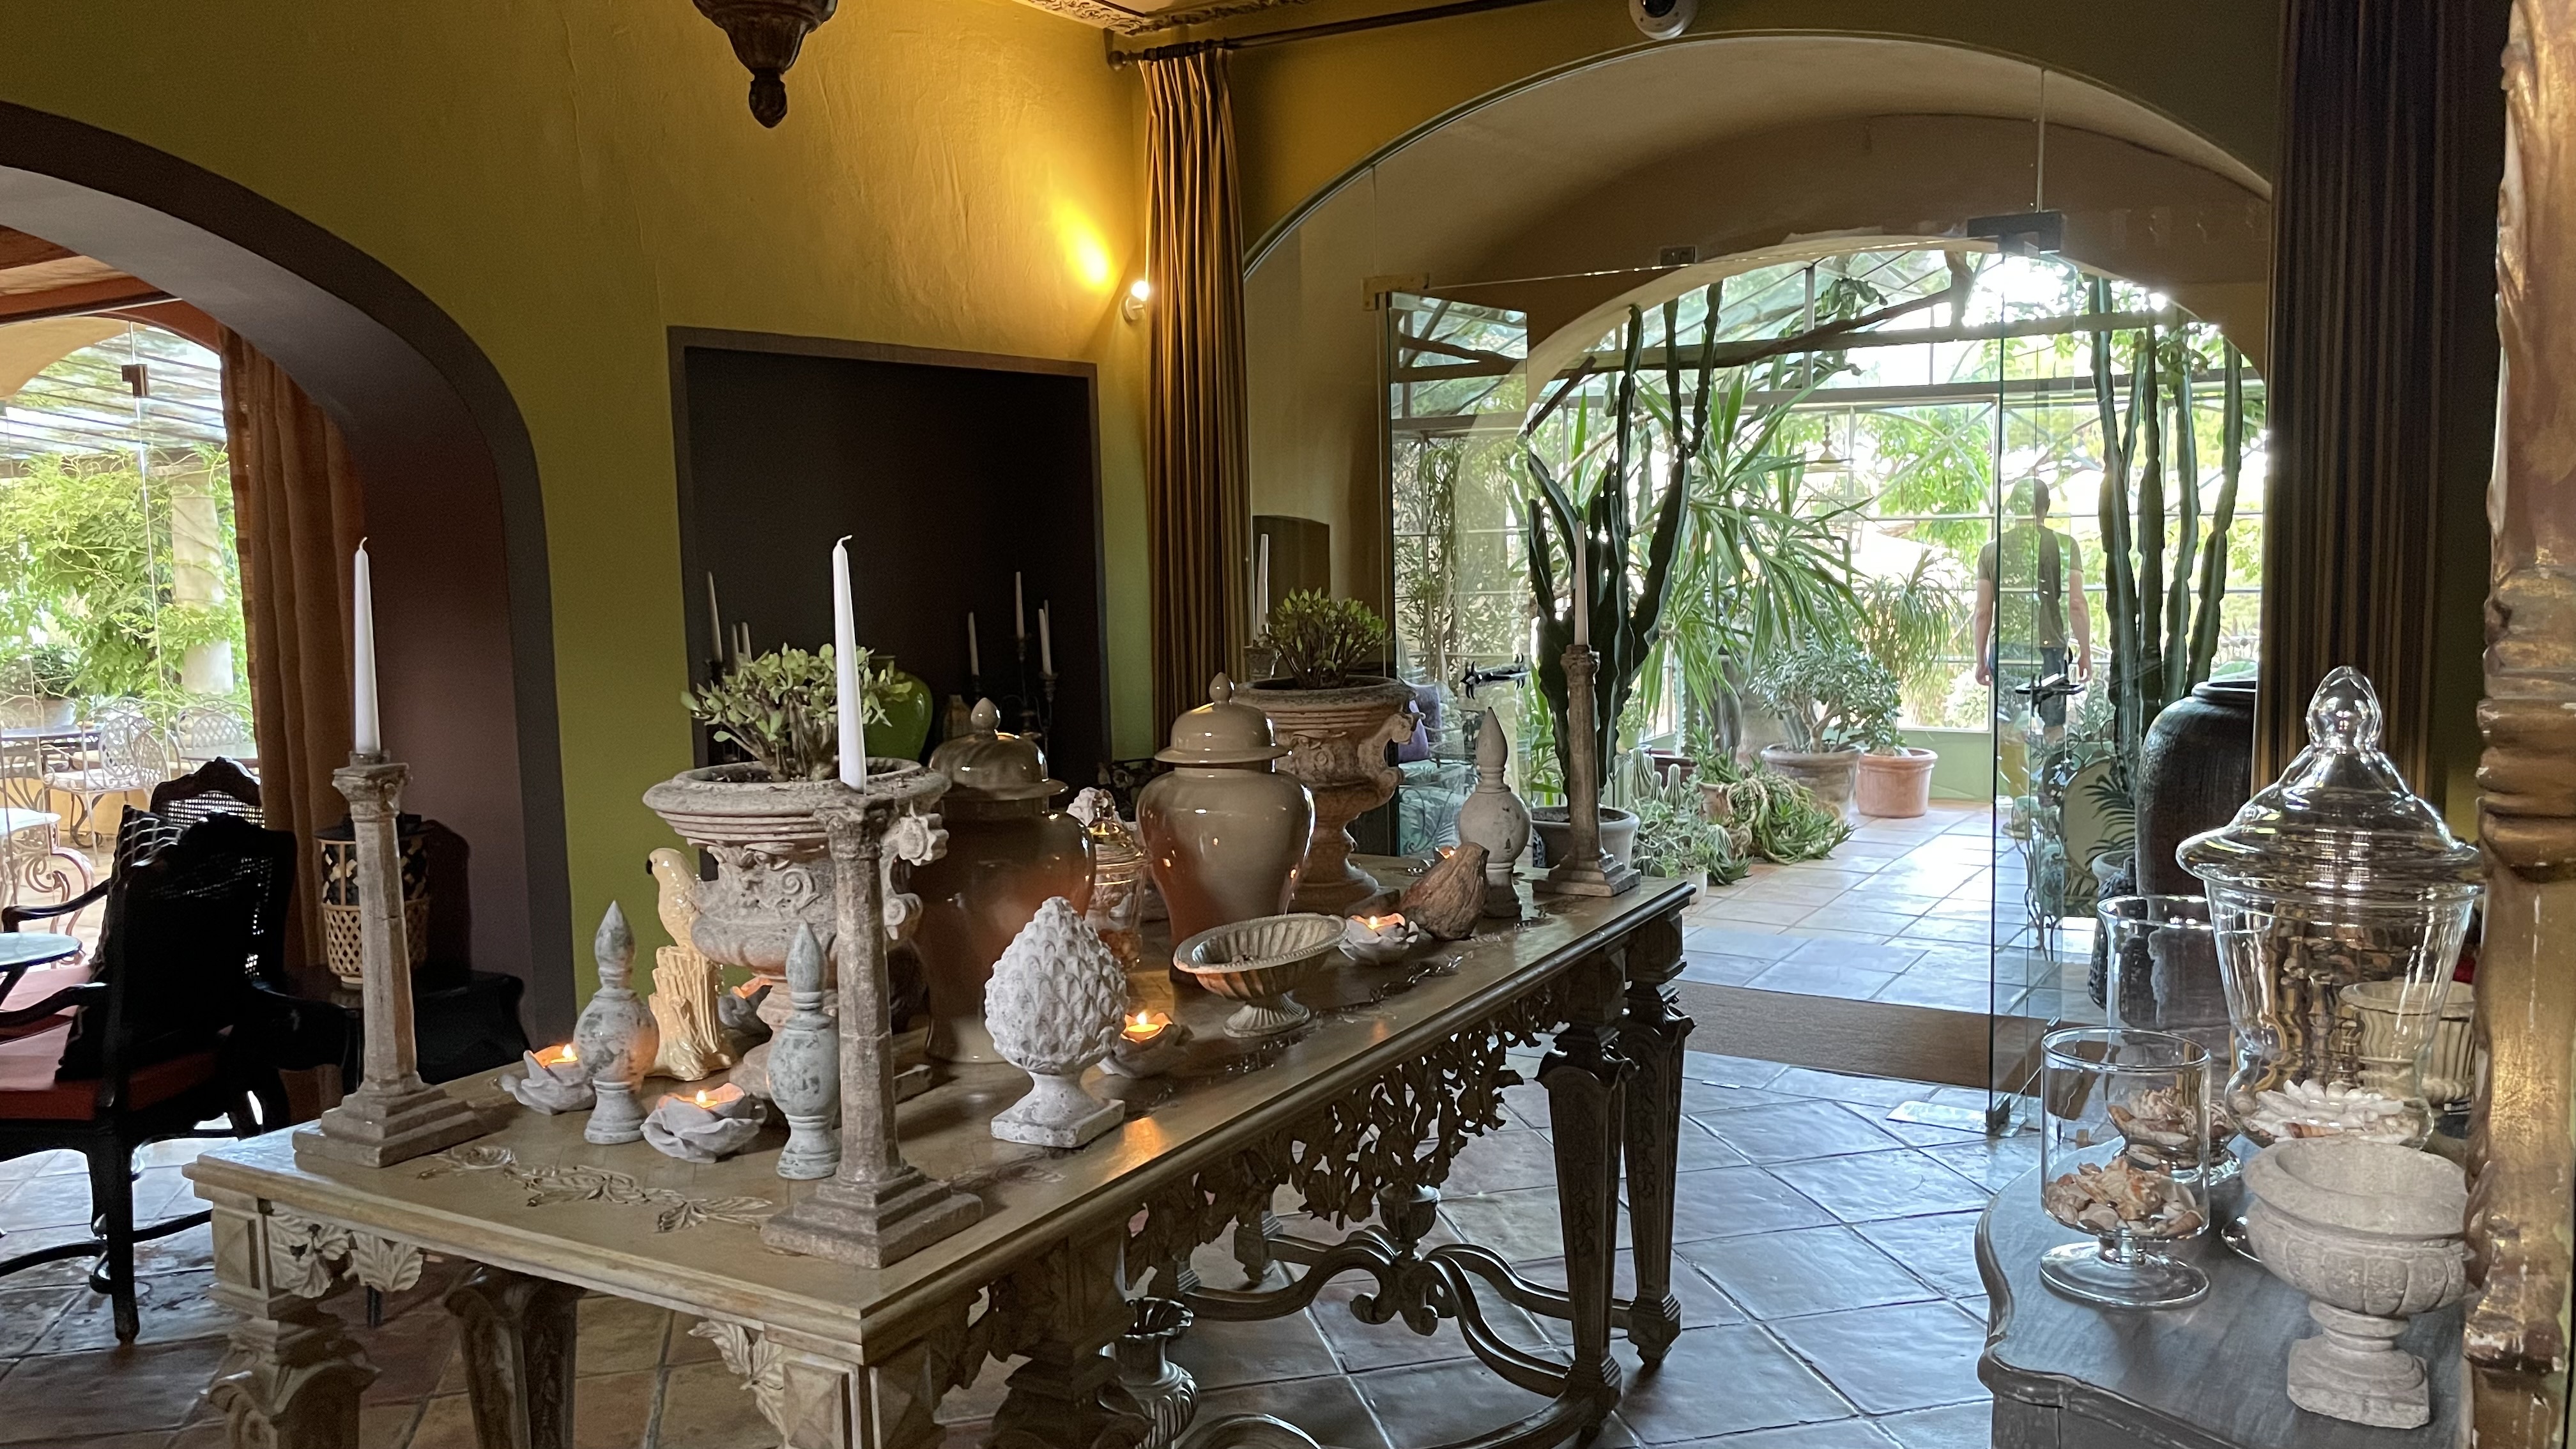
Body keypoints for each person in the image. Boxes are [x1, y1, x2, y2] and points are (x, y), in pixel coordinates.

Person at [1971, 479, 2092, 745]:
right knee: (2054, 729)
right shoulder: (2066, 546)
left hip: (2008, 651)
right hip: (2051, 650)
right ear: (2046, 507)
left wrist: (1980, 659)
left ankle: (2009, 774)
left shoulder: (1991, 551)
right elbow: (2076, 604)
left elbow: (1983, 612)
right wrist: (2086, 652)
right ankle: (2052, 772)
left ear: (2014, 507)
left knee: (2007, 729)